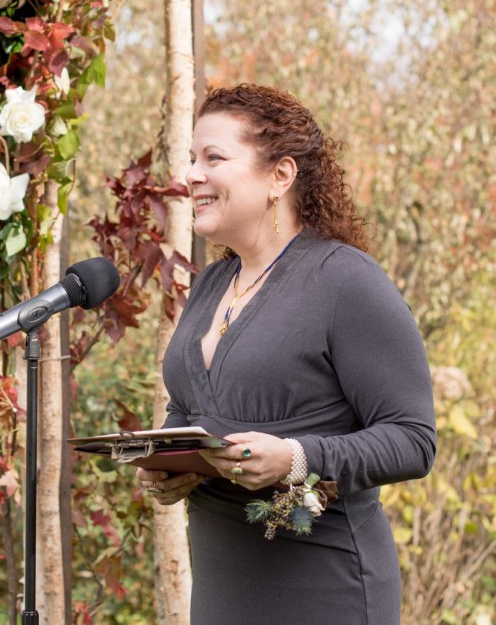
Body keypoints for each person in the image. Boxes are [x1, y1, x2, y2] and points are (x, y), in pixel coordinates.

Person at [136, 84, 436, 624]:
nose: (192, 175)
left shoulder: (346, 282)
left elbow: (413, 440)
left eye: (213, 158)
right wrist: (173, 465)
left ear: (280, 176)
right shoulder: (210, 284)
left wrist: (297, 460)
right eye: (190, 159)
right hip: (223, 587)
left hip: (324, 586)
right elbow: (191, 410)